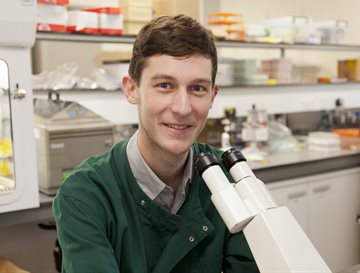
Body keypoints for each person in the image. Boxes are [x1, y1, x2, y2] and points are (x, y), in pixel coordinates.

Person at [52, 14, 259, 273]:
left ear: (213, 95)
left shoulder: (233, 180)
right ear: (131, 89)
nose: (182, 108)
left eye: (197, 88)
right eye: (164, 85)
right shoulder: (85, 195)